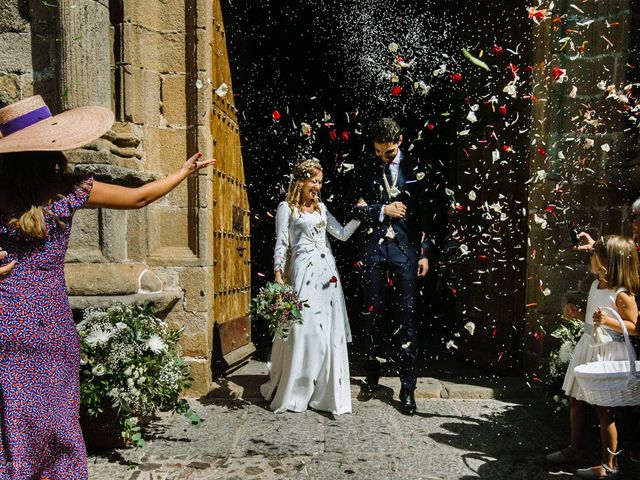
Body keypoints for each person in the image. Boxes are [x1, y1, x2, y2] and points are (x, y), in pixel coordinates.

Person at [0, 95, 214, 480]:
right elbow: (139, 197)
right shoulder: (68, 190)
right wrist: (182, 172)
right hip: (49, 325)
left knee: (11, 420)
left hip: (6, 322)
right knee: (56, 416)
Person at [260, 159, 362, 415]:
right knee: (305, 332)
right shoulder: (287, 209)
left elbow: (341, 234)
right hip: (302, 273)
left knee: (327, 332)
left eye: (319, 181)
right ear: (300, 182)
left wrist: (360, 215)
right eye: (313, 181)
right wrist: (278, 274)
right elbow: (282, 243)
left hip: (327, 275)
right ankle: (297, 389)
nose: (317, 186)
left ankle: (324, 392)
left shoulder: (322, 209)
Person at [345, 117, 432, 416]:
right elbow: (350, 209)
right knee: (372, 314)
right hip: (372, 251)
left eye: (389, 152)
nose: (383, 157)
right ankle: (371, 374)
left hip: (406, 251)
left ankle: (408, 388)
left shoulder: (417, 168)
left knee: (407, 318)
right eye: (378, 151)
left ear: (400, 141)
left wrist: (425, 252)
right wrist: (381, 209)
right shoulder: (365, 166)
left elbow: (428, 213)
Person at [547, 235, 639, 479]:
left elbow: (635, 326)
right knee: (576, 400)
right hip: (588, 347)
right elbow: (591, 322)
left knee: (604, 409)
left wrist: (608, 321)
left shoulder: (622, 294)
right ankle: (574, 448)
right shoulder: (595, 285)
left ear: (606, 261)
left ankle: (610, 465)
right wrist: (578, 314)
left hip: (608, 352)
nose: (590, 257)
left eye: (594, 254)